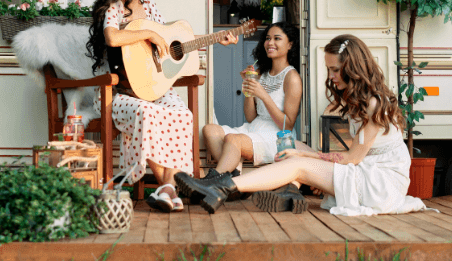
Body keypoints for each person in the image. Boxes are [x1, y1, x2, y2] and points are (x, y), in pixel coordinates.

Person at [175, 34, 428, 216]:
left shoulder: (374, 104)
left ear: (354, 68)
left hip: (380, 183)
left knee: (297, 162)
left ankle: (223, 185)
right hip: (367, 170)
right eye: (329, 69)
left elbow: (352, 158)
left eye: (336, 70)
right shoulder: (360, 100)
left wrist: (306, 157)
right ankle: (287, 192)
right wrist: (304, 152)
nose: (331, 77)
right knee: (296, 146)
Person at [86, 0, 237, 213]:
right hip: (119, 94)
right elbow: (112, 38)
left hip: (151, 89)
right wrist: (147, 33)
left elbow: (168, 42)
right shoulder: (115, 8)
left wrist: (214, 39)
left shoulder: (150, 5)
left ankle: (168, 189)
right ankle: (170, 187)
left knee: (182, 114)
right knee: (149, 113)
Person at [201, 22, 302, 181]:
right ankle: (233, 178)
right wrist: (248, 87)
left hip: (275, 137)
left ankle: (213, 180)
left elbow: (286, 125)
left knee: (233, 139)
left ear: (290, 44)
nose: (270, 43)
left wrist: (262, 94)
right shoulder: (261, 72)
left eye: (277, 38)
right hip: (254, 128)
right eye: (268, 38)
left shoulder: (292, 77)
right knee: (210, 130)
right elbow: (250, 118)